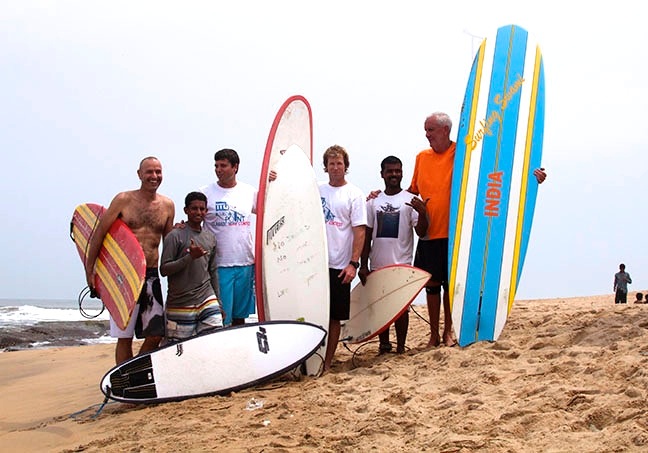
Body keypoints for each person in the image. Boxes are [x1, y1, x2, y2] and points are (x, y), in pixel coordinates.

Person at [383, 112, 547, 348]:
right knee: (431, 287)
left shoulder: (464, 153)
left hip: (456, 234)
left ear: (445, 130)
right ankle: (433, 335)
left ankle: (448, 332)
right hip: (429, 231)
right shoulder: (422, 157)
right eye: (426, 130)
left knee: (450, 287)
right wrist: (380, 195)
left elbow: (498, 171)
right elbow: (411, 190)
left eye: (430, 130)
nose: (426, 135)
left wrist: (533, 175)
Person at [84, 156, 175, 364]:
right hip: (123, 277)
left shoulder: (168, 205)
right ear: (139, 174)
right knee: (124, 336)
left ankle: (136, 371)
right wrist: (90, 270)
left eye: (158, 172)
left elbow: (169, 244)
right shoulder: (124, 199)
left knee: (156, 334)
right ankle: (125, 381)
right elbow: (99, 234)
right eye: (149, 172)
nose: (154, 176)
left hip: (151, 275)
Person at [359, 155, 429, 354]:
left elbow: (422, 232)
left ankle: (400, 347)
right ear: (382, 174)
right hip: (378, 264)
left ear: (402, 172)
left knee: (400, 309)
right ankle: (384, 345)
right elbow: (367, 235)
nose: (394, 175)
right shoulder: (374, 202)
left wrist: (423, 213)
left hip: (402, 264)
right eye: (390, 171)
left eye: (397, 171)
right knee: (381, 308)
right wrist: (363, 265)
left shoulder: (411, 200)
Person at [319, 145, 367, 372]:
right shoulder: (316, 190)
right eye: (331, 163)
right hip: (315, 264)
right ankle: (311, 359)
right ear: (325, 167)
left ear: (345, 167)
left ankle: (327, 363)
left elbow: (360, 231)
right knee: (315, 313)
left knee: (334, 317)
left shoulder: (354, 194)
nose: (335, 167)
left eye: (339, 163)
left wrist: (353, 264)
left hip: (339, 265)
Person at [200, 148, 257, 326]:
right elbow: (194, 219)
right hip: (219, 264)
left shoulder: (249, 192)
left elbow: (271, 210)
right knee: (221, 317)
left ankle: (240, 352)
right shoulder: (205, 192)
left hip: (245, 262)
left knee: (240, 317)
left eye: (223, 166)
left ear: (235, 167)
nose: (218, 169)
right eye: (216, 166)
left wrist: (274, 180)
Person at [160, 192, 223, 342]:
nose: (199, 212)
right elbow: (164, 270)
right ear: (186, 210)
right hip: (180, 302)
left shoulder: (210, 238)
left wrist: (219, 302)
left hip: (206, 297)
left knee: (214, 340)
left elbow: (213, 271)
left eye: (202, 209)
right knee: (180, 349)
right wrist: (190, 258)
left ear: (206, 211)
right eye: (194, 208)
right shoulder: (174, 236)